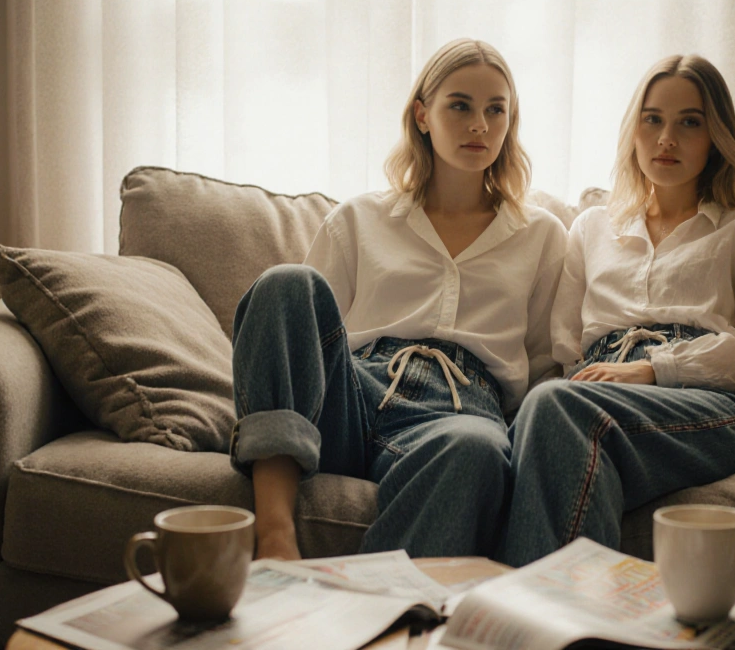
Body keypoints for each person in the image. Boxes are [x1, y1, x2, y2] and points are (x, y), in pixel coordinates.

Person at [230, 38, 567, 561]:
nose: (479, 124)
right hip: (352, 395)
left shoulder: (542, 234)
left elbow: (546, 365)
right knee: (286, 282)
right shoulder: (359, 218)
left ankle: (376, 618)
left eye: (495, 110)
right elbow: (300, 334)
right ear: (423, 115)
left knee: (477, 449)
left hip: (456, 414)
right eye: (460, 105)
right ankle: (273, 538)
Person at [498, 54, 735, 567]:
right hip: (598, 394)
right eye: (653, 119)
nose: (667, 138)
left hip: (707, 404)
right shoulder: (592, 228)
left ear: (716, 137)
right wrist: (590, 385)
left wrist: (653, 368)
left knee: (558, 408)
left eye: (690, 122)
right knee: (545, 413)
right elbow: (564, 344)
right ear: (633, 131)